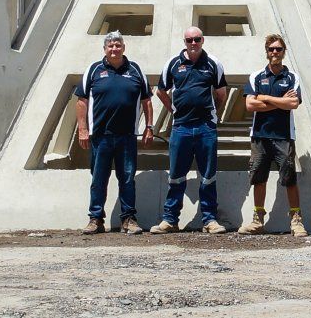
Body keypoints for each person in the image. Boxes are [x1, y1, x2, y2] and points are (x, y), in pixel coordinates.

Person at [73, 31, 154, 234]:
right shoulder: (94, 70)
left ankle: (128, 219)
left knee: (127, 179)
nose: (114, 49)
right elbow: (81, 101)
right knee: (98, 179)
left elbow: (147, 101)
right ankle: (95, 219)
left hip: (127, 136)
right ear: (105, 49)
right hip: (100, 137)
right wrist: (83, 129)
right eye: (110, 46)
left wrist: (149, 127)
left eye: (118, 45)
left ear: (123, 47)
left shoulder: (135, 70)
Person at [151, 27, 228, 234]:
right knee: (176, 175)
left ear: (202, 40)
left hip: (206, 128)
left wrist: (212, 116)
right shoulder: (173, 64)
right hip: (181, 127)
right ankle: (170, 219)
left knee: (208, 175)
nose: (193, 43)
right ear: (184, 41)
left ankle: (209, 220)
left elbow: (221, 94)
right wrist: (174, 110)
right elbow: (161, 91)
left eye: (196, 39)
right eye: (189, 40)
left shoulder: (213, 63)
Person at [240, 33, 306, 237]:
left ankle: (296, 221)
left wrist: (266, 98)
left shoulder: (292, 77)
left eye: (278, 49)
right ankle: (257, 219)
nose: (275, 52)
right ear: (267, 52)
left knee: (289, 178)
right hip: (260, 136)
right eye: (271, 49)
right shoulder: (256, 76)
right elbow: (250, 105)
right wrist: (279, 102)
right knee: (258, 178)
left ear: (284, 52)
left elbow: (293, 104)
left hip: (284, 135)